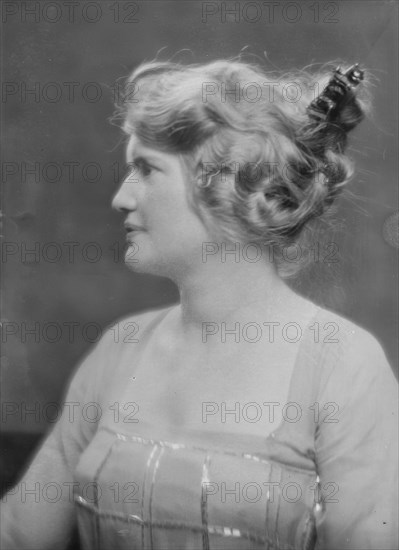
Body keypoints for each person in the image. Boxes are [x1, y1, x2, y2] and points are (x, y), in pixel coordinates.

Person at [1, 58, 397, 550]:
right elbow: (19, 532)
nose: (121, 199)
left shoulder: (344, 365)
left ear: (228, 185)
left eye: (146, 169)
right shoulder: (121, 348)